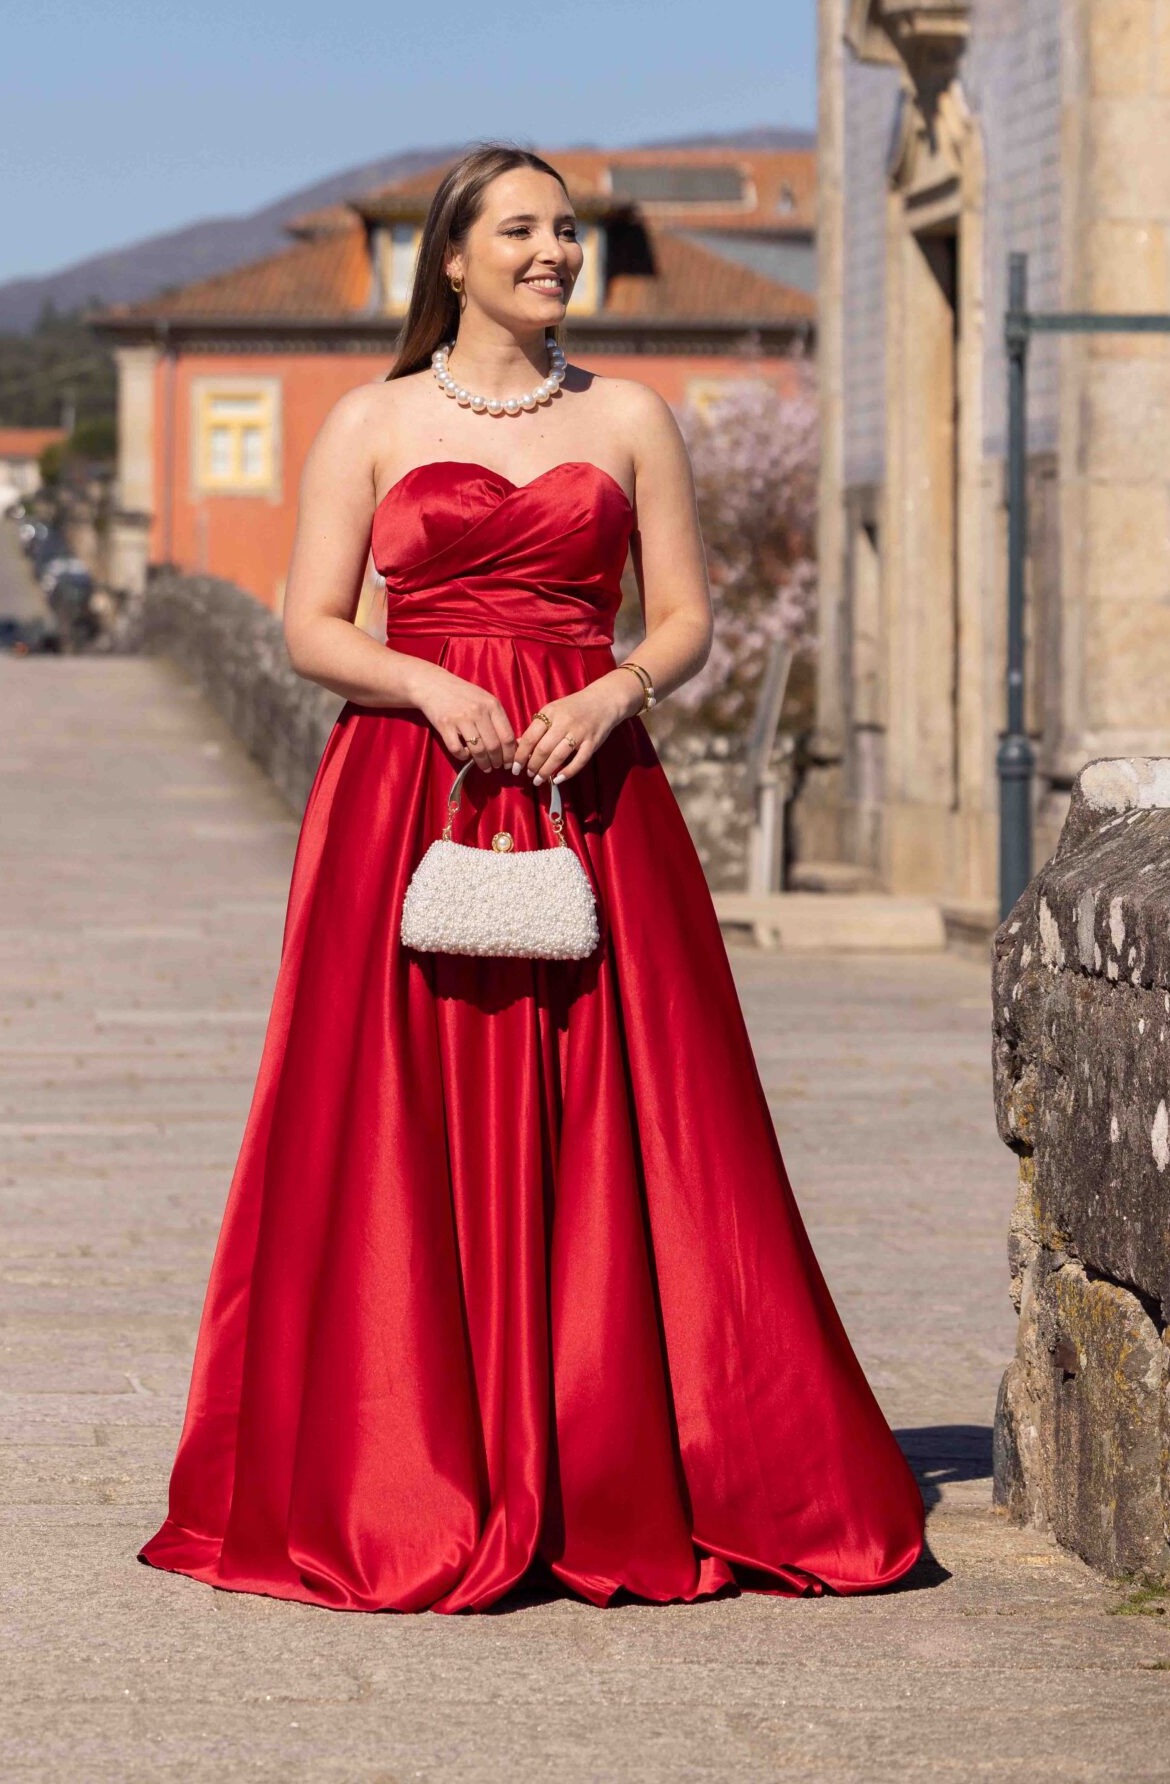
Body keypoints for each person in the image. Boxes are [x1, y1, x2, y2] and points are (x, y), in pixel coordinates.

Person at [140, 143, 925, 1612]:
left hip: (592, 788)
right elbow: (309, 627)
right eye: (522, 230)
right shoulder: (371, 421)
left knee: (637, 1110)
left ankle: (617, 1457)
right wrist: (423, 683)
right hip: (407, 790)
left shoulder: (629, 416)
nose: (556, 251)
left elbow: (684, 619)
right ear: (451, 259)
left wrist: (616, 691)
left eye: (567, 230)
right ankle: (408, 1466)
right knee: (397, 1108)